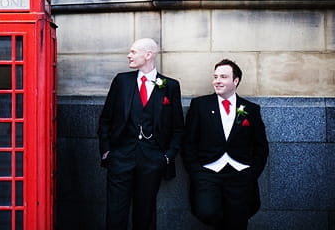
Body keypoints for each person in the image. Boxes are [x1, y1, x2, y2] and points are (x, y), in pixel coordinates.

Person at [98, 38, 184, 230]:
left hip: (152, 159)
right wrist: (107, 152)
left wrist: (167, 157)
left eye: (133, 52)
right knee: (115, 215)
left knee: (145, 216)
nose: (129, 55)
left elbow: (178, 127)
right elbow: (105, 119)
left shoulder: (170, 86)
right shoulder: (122, 81)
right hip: (121, 157)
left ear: (148, 55)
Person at [182, 59, 269, 230]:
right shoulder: (200, 105)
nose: (217, 81)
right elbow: (188, 143)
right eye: (215, 77)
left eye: (223, 77)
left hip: (240, 176)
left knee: (238, 222)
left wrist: (251, 173)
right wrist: (197, 172)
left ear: (235, 81)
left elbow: (261, 147)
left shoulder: (251, 109)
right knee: (208, 212)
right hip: (208, 174)